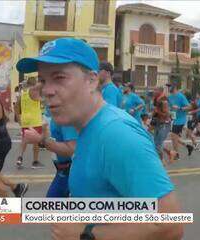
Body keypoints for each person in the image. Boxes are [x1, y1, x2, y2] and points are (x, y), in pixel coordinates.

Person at [16, 38, 183, 240]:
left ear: (92, 80)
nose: (47, 91)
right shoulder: (86, 128)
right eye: (43, 80)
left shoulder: (116, 134)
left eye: (59, 78)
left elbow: (170, 225)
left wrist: (86, 233)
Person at [23, 116, 78, 197]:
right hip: (61, 171)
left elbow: (72, 149)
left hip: (70, 172)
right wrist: (42, 137)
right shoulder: (50, 111)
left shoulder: (66, 115)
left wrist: (41, 140)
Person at [15, 77, 44, 169]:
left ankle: (20, 157)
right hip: (35, 120)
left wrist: (19, 118)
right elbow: (41, 100)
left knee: (25, 139)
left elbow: (16, 106)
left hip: (25, 120)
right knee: (36, 141)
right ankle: (35, 162)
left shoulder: (23, 93)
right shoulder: (34, 92)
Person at [151, 86, 177, 165]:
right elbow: (156, 112)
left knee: (157, 143)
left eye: (155, 89)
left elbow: (167, 114)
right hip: (158, 122)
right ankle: (170, 153)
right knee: (157, 143)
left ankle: (162, 161)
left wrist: (156, 111)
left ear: (160, 91)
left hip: (164, 124)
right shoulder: (157, 99)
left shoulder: (163, 100)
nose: (153, 91)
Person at [168, 84, 194, 159]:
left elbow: (189, 107)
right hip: (173, 119)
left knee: (173, 136)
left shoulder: (181, 96)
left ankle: (176, 154)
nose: (168, 87)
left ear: (175, 87)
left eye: (170, 86)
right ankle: (188, 146)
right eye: (168, 86)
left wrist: (179, 108)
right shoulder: (169, 97)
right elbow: (170, 107)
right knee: (174, 137)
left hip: (180, 119)